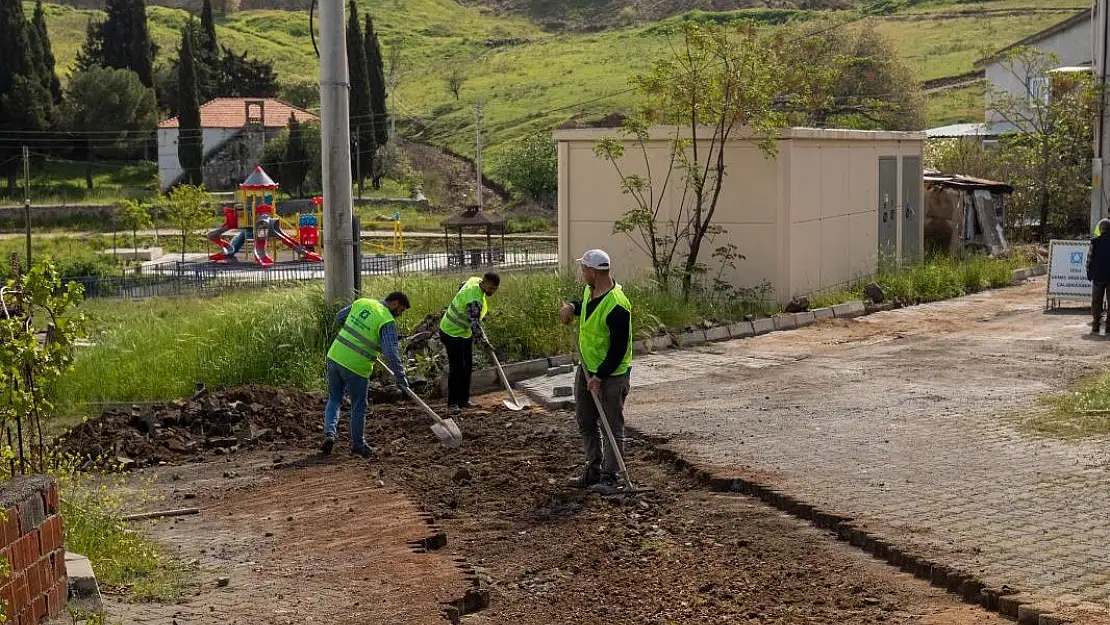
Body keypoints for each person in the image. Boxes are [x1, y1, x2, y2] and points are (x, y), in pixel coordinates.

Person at [559, 249, 632, 495]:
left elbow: (619, 349)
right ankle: (593, 469)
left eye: (583, 271)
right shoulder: (591, 291)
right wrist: (571, 307)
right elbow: (586, 308)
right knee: (585, 419)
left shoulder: (618, 305)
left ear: (592, 271)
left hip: (611, 375)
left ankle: (611, 477)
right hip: (587, 368)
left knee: (611, 425)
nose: (582, 275)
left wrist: (600, 377)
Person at [323, 291, 411, 457]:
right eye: (401, 310)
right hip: (356, 367)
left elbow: (339, 317)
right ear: (395, 303)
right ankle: (358, 446)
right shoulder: (387, 320)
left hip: (334, 356)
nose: (400, 314)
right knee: (358, 405)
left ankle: (329, 434)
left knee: (334, 398)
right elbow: (391, 353)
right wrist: (401, 377)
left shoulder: (363, 302)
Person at [439, 272, 500, 414]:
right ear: (484, 283)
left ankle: (464, 401)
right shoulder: (474, 300)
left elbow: (462, 285)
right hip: (450, 332)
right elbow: (475, 326)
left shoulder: (475, 281)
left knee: (467, 367)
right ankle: (453, 404)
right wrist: (486, 344)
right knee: (457, 368)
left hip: (463, 333)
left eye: (494, 289)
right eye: (490, 288)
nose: (492, 292)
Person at [1088, 218, 1110, 334]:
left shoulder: (1094, 241)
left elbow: (1089, 259)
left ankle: (1095, 325)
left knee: (1096, 302)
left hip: (1098, 276)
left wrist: (1089, 273)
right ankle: (1109, 328)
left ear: (1101, 229)